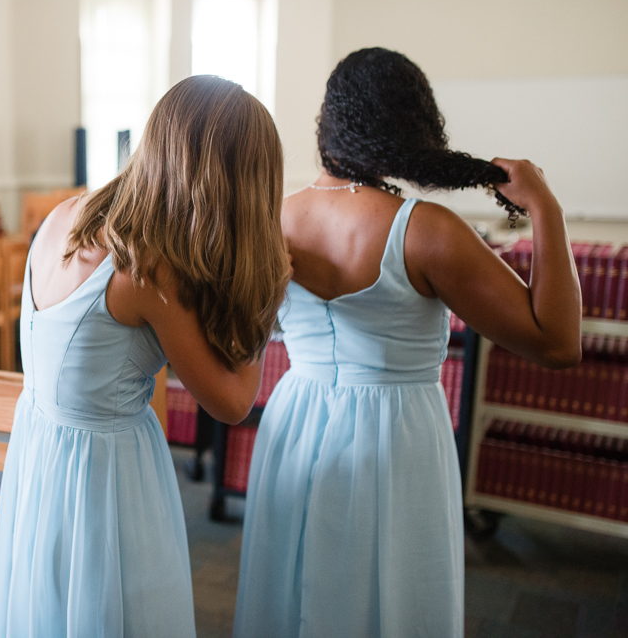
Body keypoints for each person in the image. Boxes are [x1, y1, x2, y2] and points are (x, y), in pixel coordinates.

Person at [234, 48, 582, 637]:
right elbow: (558, 341)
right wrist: (545, 206)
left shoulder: (267, 216)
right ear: (411, 130)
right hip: (394, 436)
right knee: (389, 596)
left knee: (293, 589)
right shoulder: (428, 231)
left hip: (295, 420)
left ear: (330, 123)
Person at [0, 75, 290, 637]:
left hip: (41, 455)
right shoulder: (145, 269)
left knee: (53, 604)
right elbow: (232, 401)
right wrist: (270, 285)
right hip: (104, 476)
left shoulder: (67, 215)